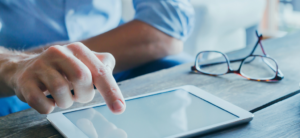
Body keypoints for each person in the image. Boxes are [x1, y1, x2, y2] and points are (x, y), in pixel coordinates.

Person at [0, 0, 194, 116]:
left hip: (121, 57)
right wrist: (14, 65)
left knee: (180, 70)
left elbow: (168, 27)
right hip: (21, 68)